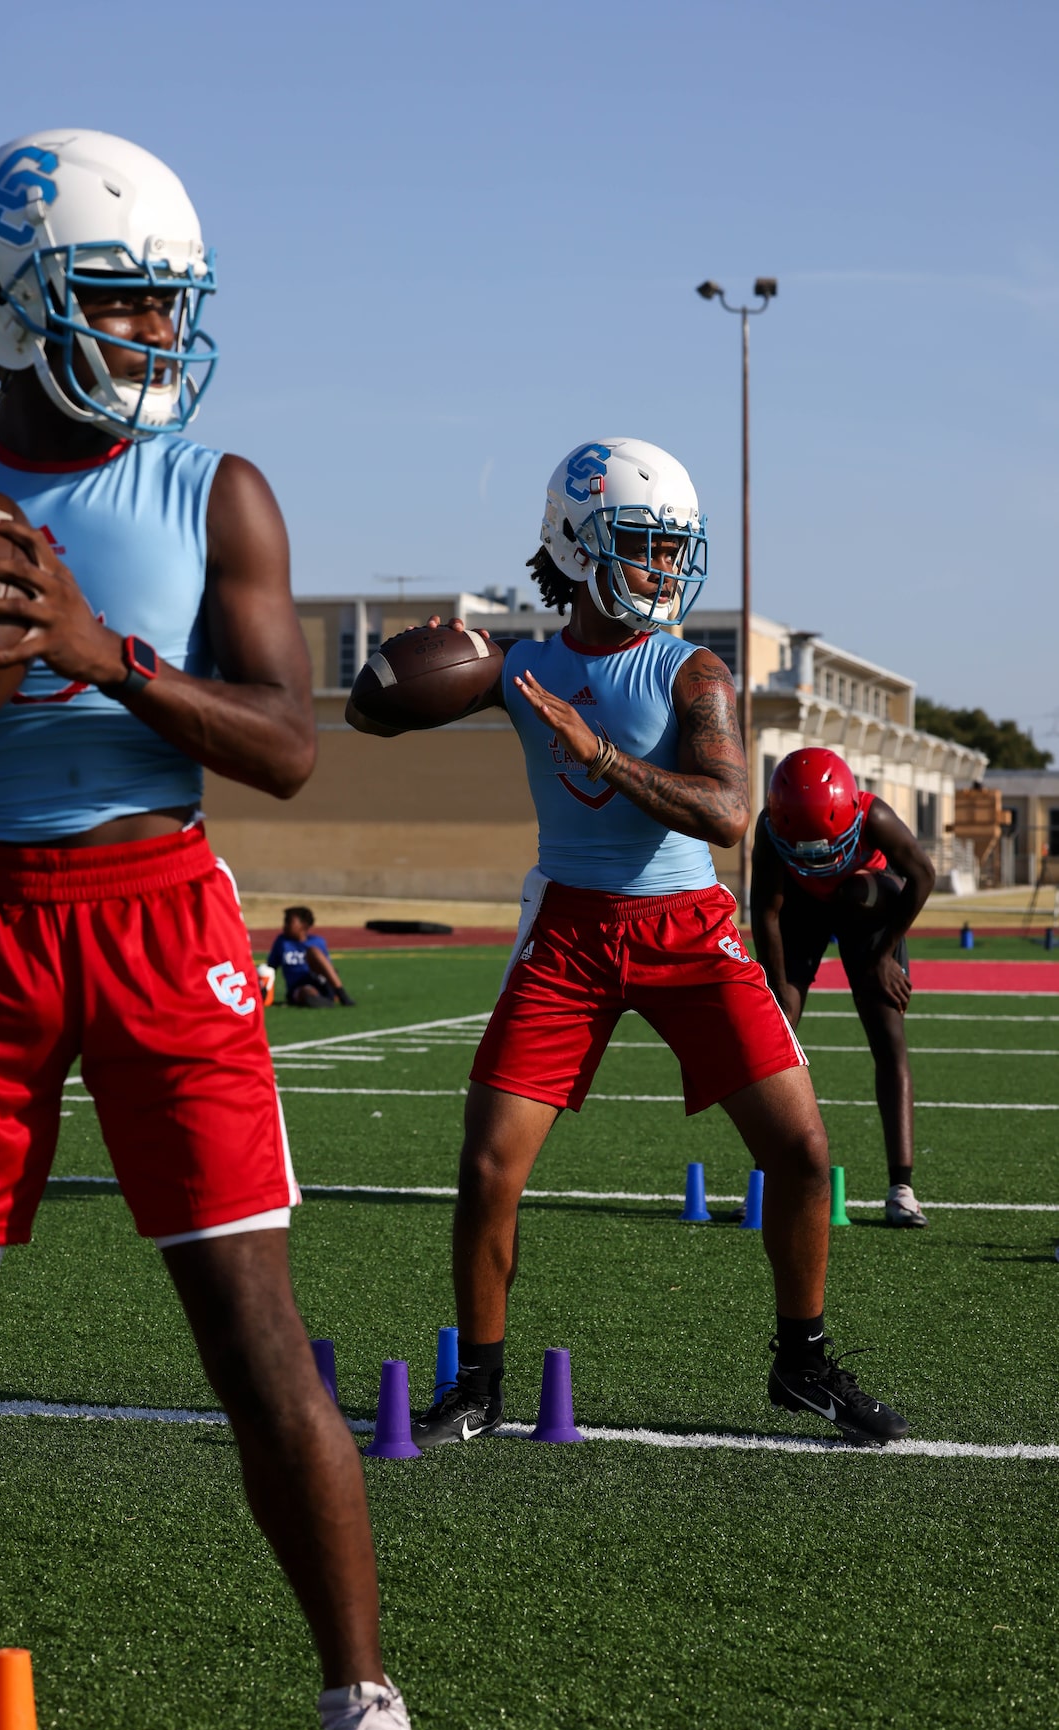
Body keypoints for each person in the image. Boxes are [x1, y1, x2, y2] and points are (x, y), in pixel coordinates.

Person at [0, 129, 435, 1730]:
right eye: (125, 302)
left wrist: (103, 653)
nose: (160, 336)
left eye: (171, 306)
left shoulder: (215, 484)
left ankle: (359, 1694)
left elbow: (289, 747)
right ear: (14, 302)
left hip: (160, 910)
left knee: (252, 1336)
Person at [351, 437, 909, 1452]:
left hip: (687, 929)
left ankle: (802, 1360)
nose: (663, 568)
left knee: (801, 1150)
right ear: (574, 544)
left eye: (671, 548)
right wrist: (395, 667)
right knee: (487, 1168)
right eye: (644, 545)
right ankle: (476, 1383)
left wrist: (596, 750)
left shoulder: (689, 667)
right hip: (567, 928)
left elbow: (729, 811)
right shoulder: (519, 668)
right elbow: (370, 713)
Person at [750, 748, 936, 1227]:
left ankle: (902, 1188)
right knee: (776, 1034)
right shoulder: (770, 829)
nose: (816, 859)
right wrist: (777, 988)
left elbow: (921, 875)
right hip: (802, 911)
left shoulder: (873, 814)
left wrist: (882, 956)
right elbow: (767, 913)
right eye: (804, 849)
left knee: (888, 1036)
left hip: (868, 904)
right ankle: (765, 1180)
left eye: (825, 847)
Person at [268, 905, 356, 1008]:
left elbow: (328, 968)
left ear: (303, 925)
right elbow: (271, 968)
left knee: (313, 951)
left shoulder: (317, 941)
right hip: (298, 986)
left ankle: (341, 994)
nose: (285, 926)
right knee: (306, 991)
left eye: (289, 922)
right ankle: (322, 1001)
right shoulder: (282, 942)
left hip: (319, 980)